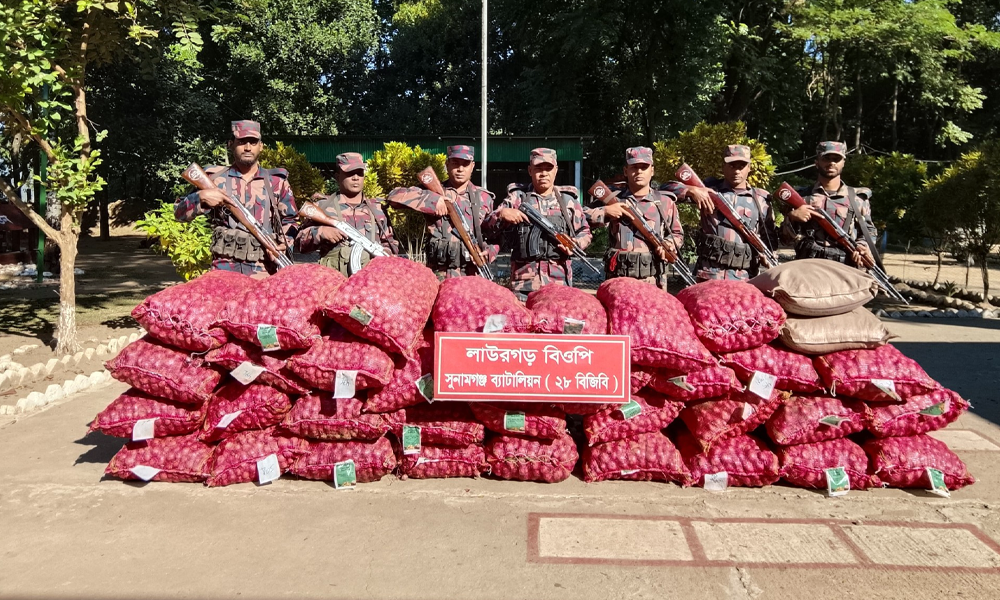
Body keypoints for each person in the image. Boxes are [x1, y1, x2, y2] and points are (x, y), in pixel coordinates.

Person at [174, 120, 297, 276]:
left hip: (265, 270)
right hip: (224, 269)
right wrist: (200, 197)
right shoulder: (214, 179)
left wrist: (285, 243)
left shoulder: (276, 182)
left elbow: (291, 220)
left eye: (253, 142)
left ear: (261, 146)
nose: (248, 147)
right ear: (230, 144)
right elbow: (179, 214)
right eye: (241, 142)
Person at [484, 148, 592, 300]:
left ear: (556, 170)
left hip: (559, 282)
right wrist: (501, 214)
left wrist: (576, 243)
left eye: (548, 169)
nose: (543, 173)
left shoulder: (568, 201)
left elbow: (585, 231)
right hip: (524, 284)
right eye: (538, 169)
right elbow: (487, 227)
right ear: (530, 170)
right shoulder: (517, 198)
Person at [662, 144, 778, 281]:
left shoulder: (761, 199)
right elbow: (664, 190)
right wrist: (691, 190)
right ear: (723, 166)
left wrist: (768, 257)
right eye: (732, 165)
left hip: (745, 277)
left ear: (749, 168)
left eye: (741, 166)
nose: (737, 171)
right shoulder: (709, 191)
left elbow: (770, 240)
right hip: (709, 275)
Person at [386, 145, 498, 279]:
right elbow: (393, 197)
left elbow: (494, 236)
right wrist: (433, 201)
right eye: (455, 163)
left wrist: (490, 252)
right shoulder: (433, 192)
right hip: (439, 275)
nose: (460, 169)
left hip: (472, 275)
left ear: (472, 166)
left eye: (465, 164)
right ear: (447, 164)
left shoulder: (484, 197)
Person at [585, 146, 684, 290]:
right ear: (626, 171)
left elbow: (677, 234)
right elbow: (580, 218)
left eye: (644, 167)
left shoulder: (664, 202)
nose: (639, 171)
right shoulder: (613, 199)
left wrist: (669, 244)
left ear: (652, 171)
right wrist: (605, 211)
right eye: (634, 167)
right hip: (619, 281)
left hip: (653, 281)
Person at [295, 152, 398, 276]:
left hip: (370, 280)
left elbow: (390, 243)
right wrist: (321, 232)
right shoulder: (323, 206)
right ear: (337, 176)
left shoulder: (377, 209)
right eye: (350, 173)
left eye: (360, 173)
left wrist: (385, 253)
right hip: (333, 279)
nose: (356, 178)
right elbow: (299, 244)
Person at [781, 141, 875, 268]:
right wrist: (792, 218)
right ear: (817, 162)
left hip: (845, 268)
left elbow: (869, 231)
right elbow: (784, 240)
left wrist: (862, 246)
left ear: (843, 163)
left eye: (836, 159)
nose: (831, 163)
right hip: (807, 268)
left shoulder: (857, 199)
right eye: (826, 158)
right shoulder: (801, 198)